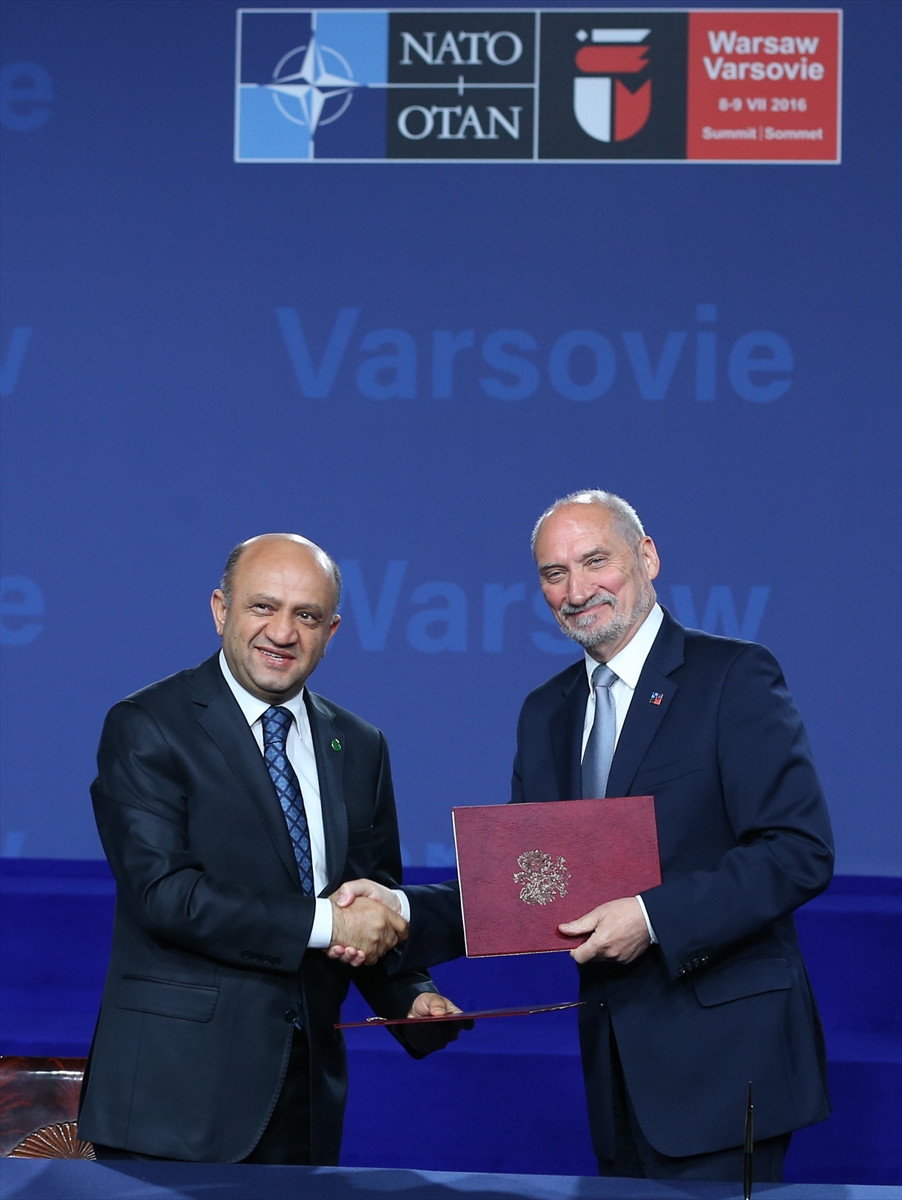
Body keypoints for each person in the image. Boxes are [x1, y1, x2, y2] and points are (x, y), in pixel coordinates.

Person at [340, 489, 834, 1182]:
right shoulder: (547, 711)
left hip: (727, 1060)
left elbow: (797, 851)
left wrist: (651, 917)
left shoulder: (732, 676)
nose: (576, 591)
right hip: (616, 1068)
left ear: (647, 557)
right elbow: (521, 886)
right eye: (554, 573)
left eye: (595, 561)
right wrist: (398, 912)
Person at [77, 533, 464, 1165]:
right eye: (263, 607)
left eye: (306, 615)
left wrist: (409, 994)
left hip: (304, 1095)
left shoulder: (359, 744)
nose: (282, 633)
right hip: (175, 1099)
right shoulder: (149, 724)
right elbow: (165, 896)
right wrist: (331, 922)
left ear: (331, 631)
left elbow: (365, 896)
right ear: (220, 610)